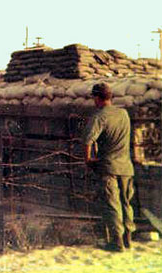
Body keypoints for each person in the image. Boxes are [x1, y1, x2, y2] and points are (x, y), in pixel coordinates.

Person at [82, 82, 135, 252]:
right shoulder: (124, 114)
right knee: (127, 203)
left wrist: (88, 159)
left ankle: (116, 242)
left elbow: (88, 141)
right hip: (126, 166)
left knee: (112, 203)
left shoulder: (99, 116)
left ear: (97, 98)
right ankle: (128, 238)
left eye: (94, 98)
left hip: (108, 167)